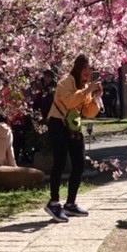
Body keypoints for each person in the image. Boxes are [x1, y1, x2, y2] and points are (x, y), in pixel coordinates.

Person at [45, 54, 101, 222]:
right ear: (77, 68)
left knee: (79, 163)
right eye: (84, 68)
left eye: (89, 69)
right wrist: (88, 90)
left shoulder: (85, 86)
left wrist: (96, 97)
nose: (87, 72)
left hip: (73, 127)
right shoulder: (65, 81)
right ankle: (54, 202)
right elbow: (69, 102)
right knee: (60, 162)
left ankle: (70, 203)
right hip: (58, 123)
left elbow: (88, 113)